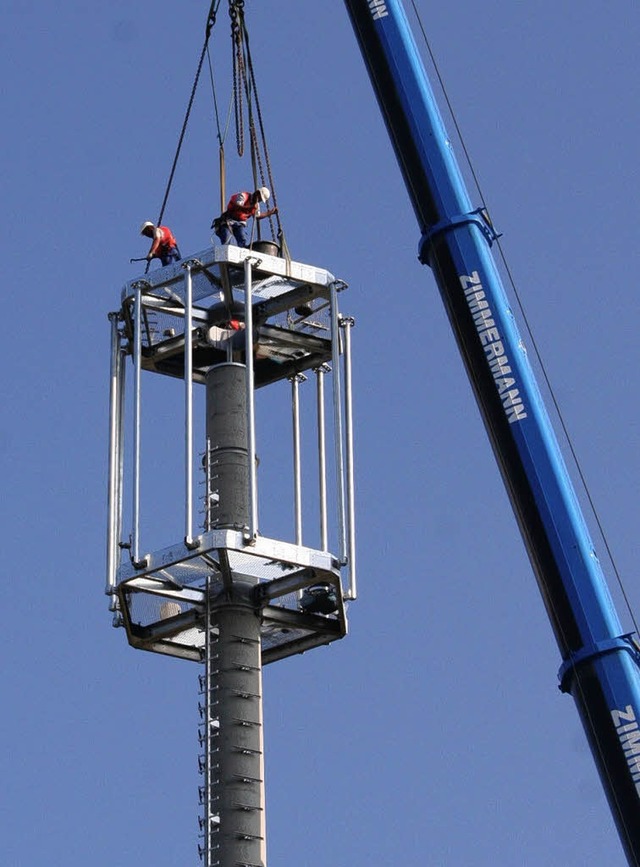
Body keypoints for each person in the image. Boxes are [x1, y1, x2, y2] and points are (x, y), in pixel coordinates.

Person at [212, 187, 277, 247]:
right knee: (226, 238)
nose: (259, 201)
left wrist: (270, 213)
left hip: (240, 223)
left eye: (260, 200)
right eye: (259, 198)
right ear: (257, 193)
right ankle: (225, 251)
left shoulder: (256, 205)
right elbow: (238, 207)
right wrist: (251, 208)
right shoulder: (243, 196)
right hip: (228, 220)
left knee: (242, 240)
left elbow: (257, 216)